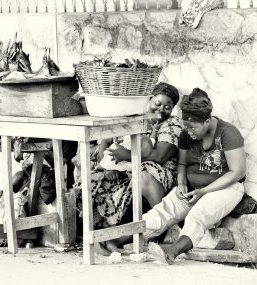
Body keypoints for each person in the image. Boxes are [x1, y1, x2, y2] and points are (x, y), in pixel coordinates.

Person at [108, 87, 247, 263]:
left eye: (192, 127)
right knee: (159, 213)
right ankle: (115, 241)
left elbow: (238, 172)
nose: (187, 131)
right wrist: (181, 184)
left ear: (206, 121)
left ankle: (171, 252)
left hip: (227, 188)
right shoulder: (186, 133)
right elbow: (182, 164)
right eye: (185, 126)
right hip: (192, 189)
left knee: (198, 214)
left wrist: (203, 192)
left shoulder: (228, 133)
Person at [72, 82, 183, 252]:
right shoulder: (135, 119)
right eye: (158, 104)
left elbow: (160, 156)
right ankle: (99, 235)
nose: (161, 110)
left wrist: (125, 156)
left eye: (168, 107)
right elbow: (106, 141)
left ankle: (162, 227)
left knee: (143, 176)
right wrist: (108, 164)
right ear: (149, 99)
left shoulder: (171, 124)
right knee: (92, 181)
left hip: (157, 171)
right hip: (123, 168)